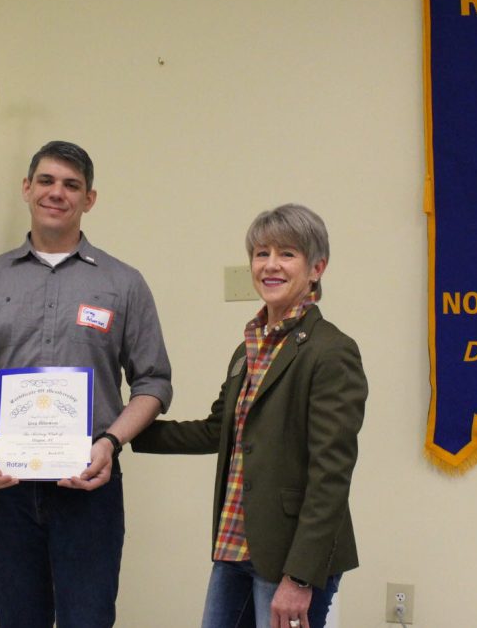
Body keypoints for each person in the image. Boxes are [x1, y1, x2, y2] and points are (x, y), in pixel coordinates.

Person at [0, 140, 173, 627]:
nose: (57, 193)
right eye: (46, 181)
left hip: (88, 487)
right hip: (3, 486)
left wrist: (110, 443)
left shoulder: (123, 283)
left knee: (87, 619)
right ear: (27, 189)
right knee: (18, 619)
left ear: (89, 199)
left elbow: (153, 383)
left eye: (71, 185)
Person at [133, 204, 368, 628]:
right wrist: (123, 430)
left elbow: (331, 473)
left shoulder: (331, 351)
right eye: (262, 253)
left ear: (317, 267)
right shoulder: (247, 351)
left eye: (287, 254)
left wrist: (298, 576)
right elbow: (214, 432)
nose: (271, 265)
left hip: (289, 558)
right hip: (234, 548)